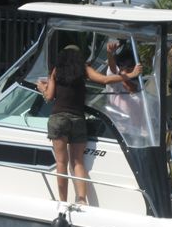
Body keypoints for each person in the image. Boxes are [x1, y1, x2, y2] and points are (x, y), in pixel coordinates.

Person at [37, 45, 142, 204]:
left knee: (61, 163)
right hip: (78, 119)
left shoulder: (56, 71)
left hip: (58, 118)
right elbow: (105, 80)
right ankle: (81, 200)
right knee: (77, 162)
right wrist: (130, 75)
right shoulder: (83, 69)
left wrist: (42, 88)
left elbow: (49, 96)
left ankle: (63, 201)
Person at [105, 41, 143, 133]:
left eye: (130, 66)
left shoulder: (139, 86)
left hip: (135, 134)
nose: (125, 68)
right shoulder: (115, 83)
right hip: (117, 133)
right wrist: (110, 53)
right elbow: (112, 70)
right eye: (122, 65)